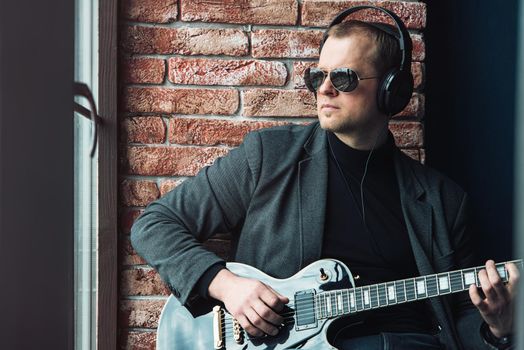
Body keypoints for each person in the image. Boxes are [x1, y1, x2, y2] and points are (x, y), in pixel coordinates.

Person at [131, 6, 519, 350]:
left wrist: (498, 330)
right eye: (318, 75)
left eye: (345, 78)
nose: (325, 88)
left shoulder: (442, 200)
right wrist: (226, 285)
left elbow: (464, 320)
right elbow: (154, 224)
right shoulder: (269, 157)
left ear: (392, 91)